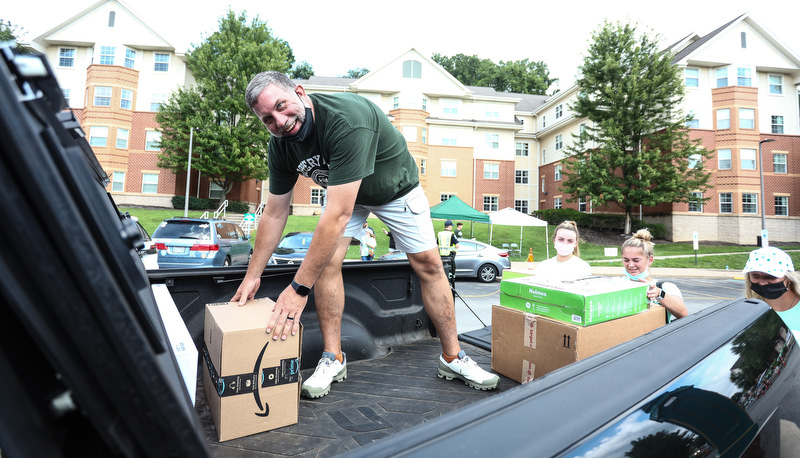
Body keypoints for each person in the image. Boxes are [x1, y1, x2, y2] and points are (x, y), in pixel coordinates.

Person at [233, 71, 498, 399]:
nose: (280, 121)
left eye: (282, 106)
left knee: (429, 264)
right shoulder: (281, 147)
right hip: (346, 193)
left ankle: (453, 358)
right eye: (268, 119)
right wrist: (252, 274)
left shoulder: (346, 119)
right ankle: (333, 357)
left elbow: (337, 217)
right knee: (328, 261)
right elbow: (274, 212)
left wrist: (298, 289)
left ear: (299, 92)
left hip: (394, 188)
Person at [621, 229, 688, 321]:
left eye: (636, 260)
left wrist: (659, 294)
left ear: (650, 260)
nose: (631, 265)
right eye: (626, 260)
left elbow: (683, 313)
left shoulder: (666, 287)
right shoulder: (617, 285)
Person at [743, 247, 800, 338]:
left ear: (788, 277)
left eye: (771, 277)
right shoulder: (749, 310)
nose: (762, 282)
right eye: (755, 276)